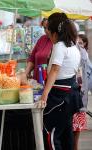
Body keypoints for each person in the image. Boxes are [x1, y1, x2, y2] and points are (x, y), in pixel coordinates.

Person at [40, 13, 81, 150]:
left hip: (60, 96)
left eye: (49, 33)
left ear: (55, 33)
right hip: (71, 93)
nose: (49, 37)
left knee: (51, 133)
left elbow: (55, 70)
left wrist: (44, 95)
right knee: (66, 134)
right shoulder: (73, 47)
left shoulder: (60, 46)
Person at [73, 34, 90, 150]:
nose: (80, 45)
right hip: (72, 93)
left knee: (77, 127)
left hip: (80, 96)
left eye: (82, 43)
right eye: (78, 43)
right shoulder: (72, 53)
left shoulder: (84, 56)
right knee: (70, 127)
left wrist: (80, 48)